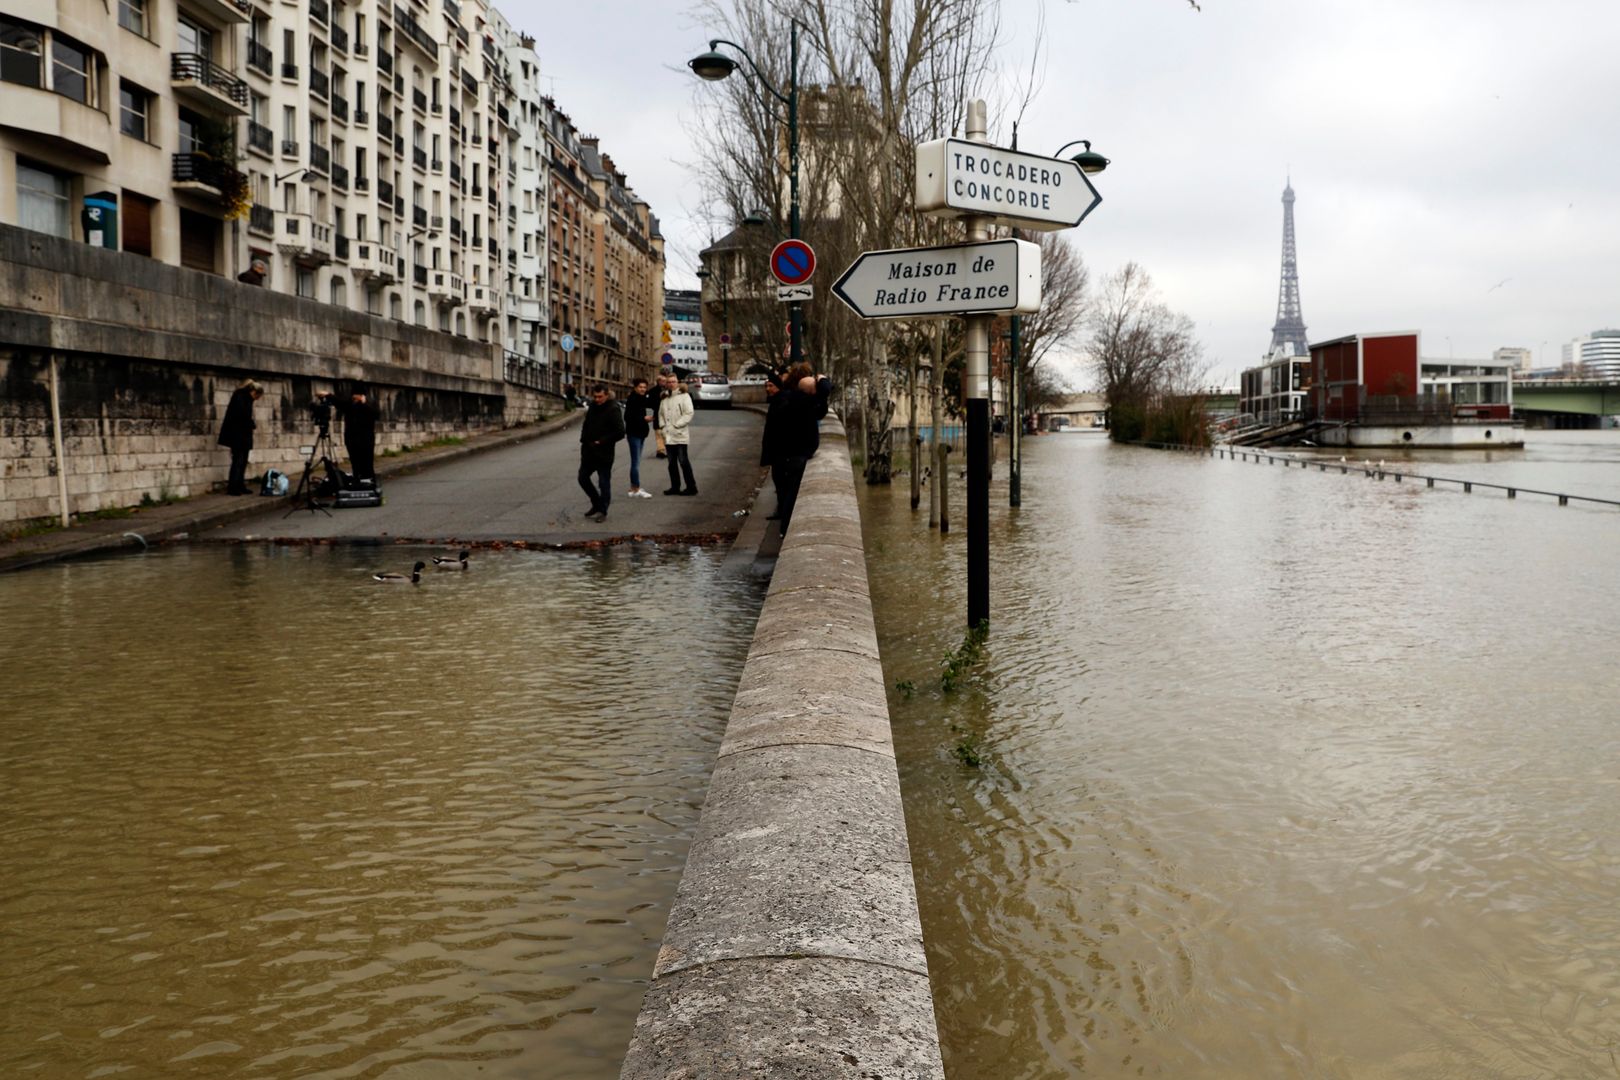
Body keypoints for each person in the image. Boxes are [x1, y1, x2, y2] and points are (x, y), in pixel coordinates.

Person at [774, 363, 833, 536]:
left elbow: (821, 408)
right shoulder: (803, 401)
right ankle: (785, 530)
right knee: (792, 494)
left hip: (787, 453)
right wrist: (822, 379)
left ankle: (784, 529)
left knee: (788, 493)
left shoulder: (791, 399)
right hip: (798, 454)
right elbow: (826, 389)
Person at [577, 384, 625, 521]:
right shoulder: (592, 406)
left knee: (604, 482)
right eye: (595, 396)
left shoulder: (613, 409)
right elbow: (586, 424)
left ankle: (602, 511)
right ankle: (596, 503)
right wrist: (583, 439)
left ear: (606, 395)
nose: (597, 399)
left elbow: (620, 432)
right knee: (582, 478)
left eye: (600, 397)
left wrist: (602, 441)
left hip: (604, 452)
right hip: (588, 451)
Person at [217, 378, 263, 495]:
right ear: (254, 392)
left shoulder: (245, 398)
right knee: (238, 461)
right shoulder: (241, 396)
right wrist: (251, 423)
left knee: (242, 462)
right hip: (237, 435)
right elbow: (241, 415)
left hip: (243, 435)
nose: (257, 399)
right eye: (258, 397)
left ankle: (240, 485)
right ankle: (233, 487)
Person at [658, 374, 697, 496]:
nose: (671, 384)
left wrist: (676, 425)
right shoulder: (664, 398)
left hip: (680, 435)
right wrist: (663, 427)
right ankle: (675, 487)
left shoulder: (684, 396)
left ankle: (691, 487)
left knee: (683, 461)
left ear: (677, 382)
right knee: (671, 463)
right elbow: (660, 414)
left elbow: (689, 413)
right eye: (668, 382)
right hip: (668, 435)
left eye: (673, 381)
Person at [333, 384, 379, 482]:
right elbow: (338, 402)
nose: (355, 399)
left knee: (367, 463)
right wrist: (328, 395)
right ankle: (357, 480)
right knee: (355, 463)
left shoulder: (369, 405)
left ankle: (369, 481)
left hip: (366, 440)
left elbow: (376, 415)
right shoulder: (349, 405)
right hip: (351, 439)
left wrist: (363, 404)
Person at [759, 375, 789, 520]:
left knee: (781, 482)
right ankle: (781, 510)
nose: (767, 389)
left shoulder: (781, 401)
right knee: (779, 482)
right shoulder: (777, 401)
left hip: (780, 451)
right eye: (766, 386)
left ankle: (783, 512)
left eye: (770, 386)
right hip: (777, 451)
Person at [623, 377, 655, 498]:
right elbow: (627, 417)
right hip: (634, 434)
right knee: (635, 462)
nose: (643, 389)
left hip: (641, 434)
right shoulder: (632, 399)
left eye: (644, 387)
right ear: (635, 387)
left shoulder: (642, 398)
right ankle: (635, 489)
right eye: (640, 387)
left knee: (637, 461)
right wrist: (643, 419)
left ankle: (634, 488)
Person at [650, 371, 669, 458]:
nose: (664, 382)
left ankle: (665, 449)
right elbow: (651, 403)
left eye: (665, 381)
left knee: (666, 433)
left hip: (668, 415)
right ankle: (660, 450)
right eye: (662, 381)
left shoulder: (669, 390)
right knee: (658, 433)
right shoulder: (653, 391)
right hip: (657, 414)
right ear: (658, 381)